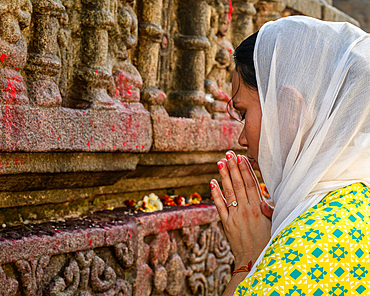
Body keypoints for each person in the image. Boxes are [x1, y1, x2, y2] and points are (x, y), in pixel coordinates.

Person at [210, 16, 370, 295]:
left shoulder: (309, 247)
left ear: (290, 108)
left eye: (244, 113)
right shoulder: (356, 202)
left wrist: (249, 260)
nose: (242, 139)